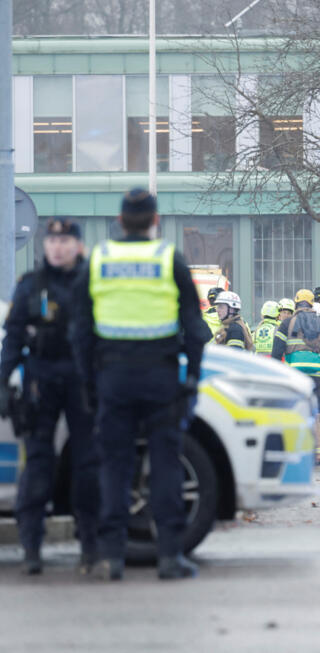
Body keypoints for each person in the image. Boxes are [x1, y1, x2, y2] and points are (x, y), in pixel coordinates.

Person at [71, 188, 210, 580]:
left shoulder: (99, 260)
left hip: (112, 378)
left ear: (119, 221)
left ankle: (111, 557)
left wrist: (89, 382)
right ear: (155, 221)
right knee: (165, 464)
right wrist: (192, 379)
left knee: (115, 465)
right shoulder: (169, 259)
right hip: (160, 377)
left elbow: (80, 331)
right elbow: (195, 329)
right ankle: (168, 556)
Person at [0, 219, 99, 576]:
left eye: (65, 240)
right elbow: (12, 338)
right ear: (45, 246)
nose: (57, 247)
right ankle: (31, 548)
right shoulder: (31, 286)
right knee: (38, 465)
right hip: (40, 379)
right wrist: (2, 380)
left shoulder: (93, 284)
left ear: (77, 245)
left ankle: (90, 547)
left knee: (88, 465)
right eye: (52, 240)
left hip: (82, 380)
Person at [272, 289, 320, 463]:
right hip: (315, 374)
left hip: (294, 375)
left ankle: (296, 452)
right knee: (314, 413)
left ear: (296, 303)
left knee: (294, 411)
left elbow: (276, 352)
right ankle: (319, 454)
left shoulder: (287, 323)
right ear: (312, 303)